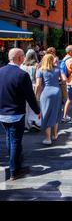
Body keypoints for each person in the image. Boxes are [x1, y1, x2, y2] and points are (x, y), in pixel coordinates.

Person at [0, 48, 40, 181]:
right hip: (15, 114)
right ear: (18, 58)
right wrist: (37, 111)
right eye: (22, 56)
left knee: (10, 139)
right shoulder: (22, 75)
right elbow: (30, 96)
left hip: (2, 113)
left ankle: (15, 164)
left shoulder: (0, 71)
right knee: (15, 141)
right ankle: (14, 170)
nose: (24, 58)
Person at [35, 54, 64, 145]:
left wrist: (36, 95)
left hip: (46, 92)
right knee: (55, 112)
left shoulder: (40, 70)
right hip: (57, 92)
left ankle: (48, 139)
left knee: (46, 113)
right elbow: (64, 80)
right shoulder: (58, 69)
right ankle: (55, 135)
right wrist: (58, 82)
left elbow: (38, 85)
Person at [20, 49, 41, 131]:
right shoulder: (37, 65)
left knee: (25, 106)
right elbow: (38, 79)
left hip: (24, 87)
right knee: (34, 105)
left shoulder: (22, 65)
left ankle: (25, 125)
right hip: (33, 86)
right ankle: (34, 122)